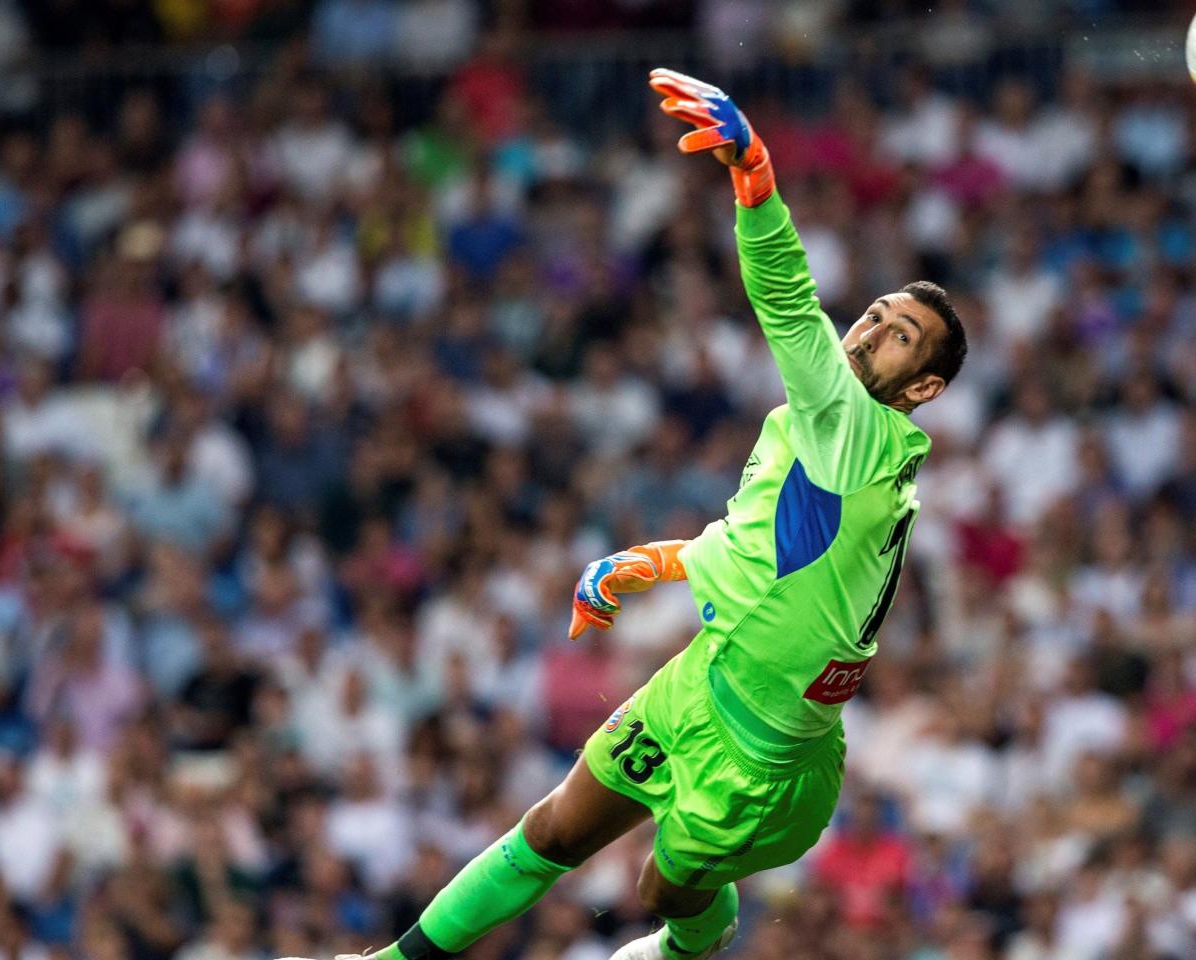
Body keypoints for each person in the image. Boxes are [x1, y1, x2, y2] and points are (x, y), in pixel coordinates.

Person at [287, 68, 967, 960]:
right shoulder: (819, 430)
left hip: (769, 752)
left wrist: (754, 178)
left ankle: (685, 948)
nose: (871, 329)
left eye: (900, 335)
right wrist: (652, 561)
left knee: (661, 890)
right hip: (708, 675)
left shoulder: (858, 429)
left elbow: (788, 301)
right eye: (877, 312)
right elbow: (773, 548)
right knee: (559, 829)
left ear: (922, 386)